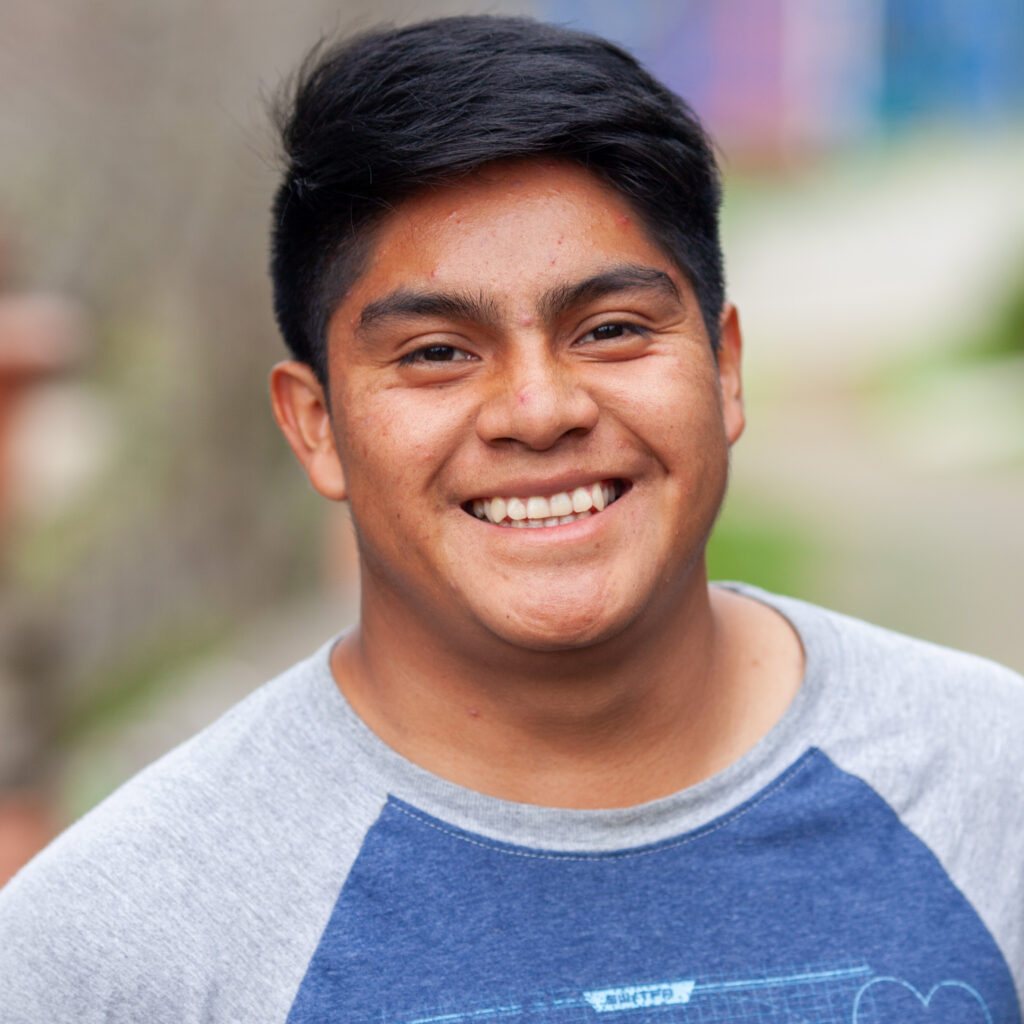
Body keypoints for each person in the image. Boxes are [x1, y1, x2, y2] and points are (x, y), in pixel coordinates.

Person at [1, 15, 1022, 1023]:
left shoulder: (993, 781)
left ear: (724, 371)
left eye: (610, 330)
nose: (539, 411)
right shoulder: (113, 945)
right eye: (437, 353)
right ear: (315, 427)